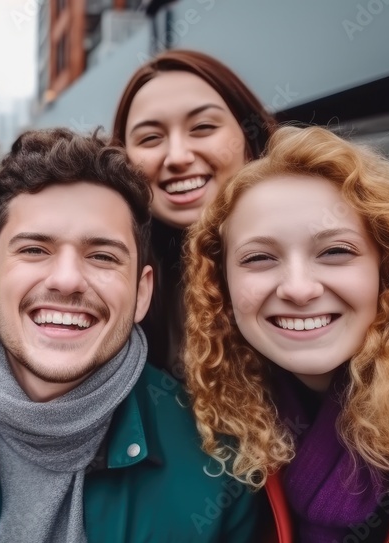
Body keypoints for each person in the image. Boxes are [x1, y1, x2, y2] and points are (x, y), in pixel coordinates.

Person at [0, 129, 257, 543]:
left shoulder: (219, 457)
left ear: (142, 293)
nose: (66, 280)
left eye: (102, 256)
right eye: (34, 250)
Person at [184, 125, 389, 543]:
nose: (298, 289)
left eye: (335, 251)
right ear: (222, 286)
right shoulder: (237, 432)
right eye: (259, 257)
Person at [111, 49, 277, 377]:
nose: (177, 156)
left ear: (249, 136)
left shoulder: (319, 260)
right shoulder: (118, 281)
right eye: (150, 138)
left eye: (202, 127)